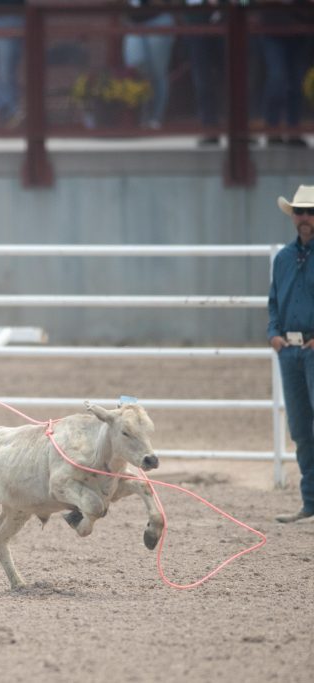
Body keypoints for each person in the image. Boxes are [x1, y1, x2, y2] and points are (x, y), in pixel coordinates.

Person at [267, 184, 314, 523]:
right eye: (300, 211)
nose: (305, 218)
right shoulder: (283, 258)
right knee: (300, 428)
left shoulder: (285, 257)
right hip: (291, 351)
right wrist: (274, 334)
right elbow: (273, 301)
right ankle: (310, 501)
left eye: (310, 212)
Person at [258, 1, 311, 148]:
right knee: (277, 78)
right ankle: (272, 128)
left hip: (299, 29)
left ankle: (293, 129)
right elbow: (243, 2)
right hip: (272, 28)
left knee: (296, 82)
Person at [123, 0, 176, 130]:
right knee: (135, 66)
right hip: (133, 23)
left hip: (158, 20)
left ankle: (155, 118)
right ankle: (140, 116)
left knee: (157, 71)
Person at [183, 0, 223, 146]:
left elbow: (246, 3)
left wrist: (239, 4)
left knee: (235, 78)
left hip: (231, 22)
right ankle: (210, 128)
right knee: (202, 79)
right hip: (196, 24)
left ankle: (242, 127)